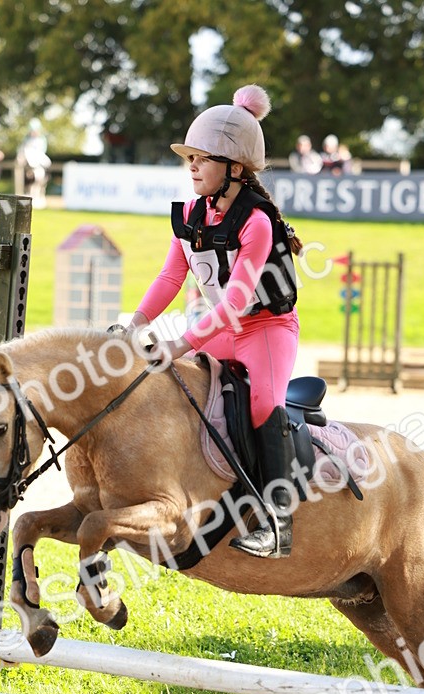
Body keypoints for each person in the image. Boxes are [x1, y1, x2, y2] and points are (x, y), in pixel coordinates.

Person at [127, 85, 303, 559]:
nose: (192, 166)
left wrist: (180, 344)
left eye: (202, 158)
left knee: (265, 401)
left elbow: (237, 302)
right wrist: (136, 324)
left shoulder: (257, 222)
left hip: (266, 330)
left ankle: (278, 522)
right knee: (166, 381)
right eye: (190, 157)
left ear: (235, 169)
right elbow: (170, 276)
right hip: (221, 330)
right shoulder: (189, 214)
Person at [17, 119, 51, 208]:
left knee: (41, 182)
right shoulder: (26, 140)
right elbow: (22, 151)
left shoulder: (42, 139)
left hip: (39, 164)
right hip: (29, 165)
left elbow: (42, 153)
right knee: (29, 183)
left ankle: (40, 198)